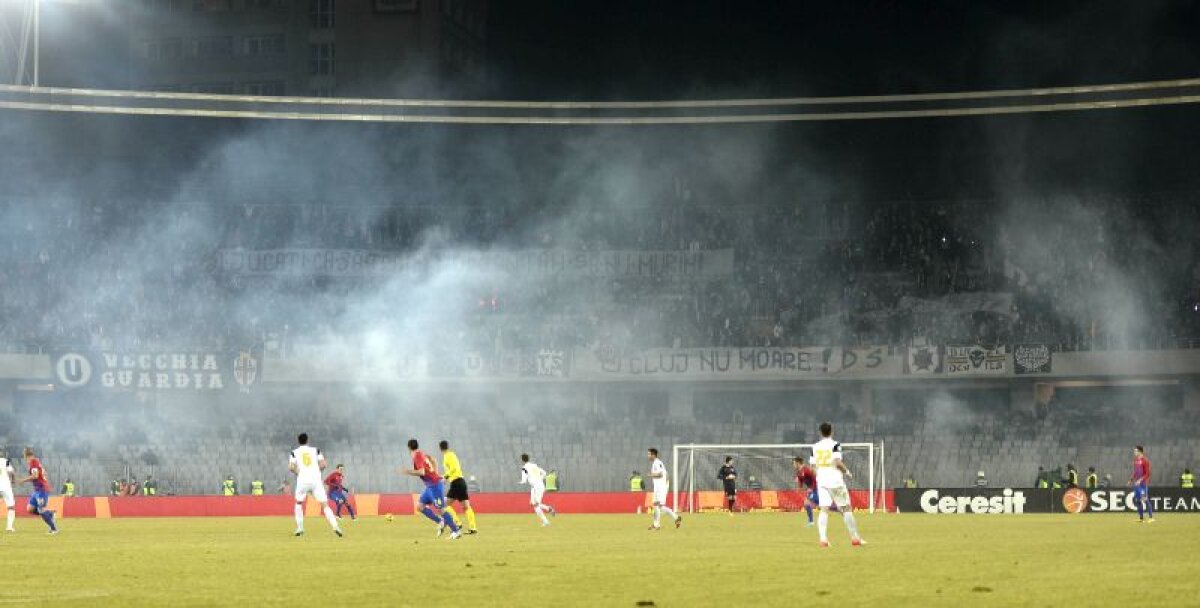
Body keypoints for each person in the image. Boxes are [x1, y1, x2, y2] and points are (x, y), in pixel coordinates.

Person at [812, 423, 864, 547]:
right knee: (846, 509)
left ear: (820, 432)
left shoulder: (814, 447)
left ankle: (823, 539)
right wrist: (847, 472)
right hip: (835, 481)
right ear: (831, 431)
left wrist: (819, 477)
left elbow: (813, 467)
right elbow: (837, 462)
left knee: (824, 509)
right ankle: (855, 538)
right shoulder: (835, 445)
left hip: (822, 481)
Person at [288, 433, 343, 537]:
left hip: (302, 480)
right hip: (315, 480)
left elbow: (291, 467)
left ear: (298, 441)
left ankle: (300, 528)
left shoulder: (294, 452)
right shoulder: (315, 450)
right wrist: (318, 471)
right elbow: (323, 464)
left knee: (299, 503)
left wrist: (298, 472)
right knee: (324, 505)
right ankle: (335, 526)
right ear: (307, 440)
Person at [403, 439, 459, 539]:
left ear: (409, 448)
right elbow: (433, 460)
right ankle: (441, 521)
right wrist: (435, 473)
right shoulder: (421, 454)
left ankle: (456, 530)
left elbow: (421, 472)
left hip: (435, 486)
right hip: (430, 486)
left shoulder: (417, 456)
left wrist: (408, 471)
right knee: (420, 507)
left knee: (441, 510)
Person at [439, 440, 477, 534]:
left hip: (456, 482)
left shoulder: (448, 456)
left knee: (445, 505)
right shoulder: (452, 454)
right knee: (466, 506)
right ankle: (473, 528)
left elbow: (454, 468)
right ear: (448, 446)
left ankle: (457, 523)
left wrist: (445, 476)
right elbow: (455, 468)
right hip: (461, 482)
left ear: (440, 448)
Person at [18, 447, 58, 534]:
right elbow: (44, 473)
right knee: (30, 509)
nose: (25, 460)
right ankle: (50, 514)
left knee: (41, 510)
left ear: (26, 456)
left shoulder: (33, 462)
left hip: (41, 489)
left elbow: (35, 476)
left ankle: (54, 529)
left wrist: (22, 480)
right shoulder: (36, 462)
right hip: (37, 490)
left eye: (25, 457)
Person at [646, 448, 680, 531]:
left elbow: (660, 474)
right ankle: (658, 524)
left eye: (649, 454)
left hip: (660, 488)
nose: (648, 456)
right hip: (660, 487)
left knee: (658, 506)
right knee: (657, 506)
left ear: (653, 455)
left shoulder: (656, 463)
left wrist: (651, 474)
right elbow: (666, 474)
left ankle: (673, 519)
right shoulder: (658, 462)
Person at [519, 453, 556, 527]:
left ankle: (546, 521)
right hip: (537, 486)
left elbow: (524, 480)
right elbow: (544, 473)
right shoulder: (534, 466)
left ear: (522, 460)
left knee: (536, 505)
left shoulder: (524, 468)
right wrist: (539, 479)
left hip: (536, 487)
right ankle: (549, 509)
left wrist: (520, 482)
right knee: (533, 504)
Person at [1129, 445, 1153, 523]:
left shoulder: (1145, 460)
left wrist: (1140, 480)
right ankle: (1141, 518)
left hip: (1143, 484)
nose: (1134, 452)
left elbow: (1148, 473)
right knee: (1138, 501)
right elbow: (1136, 472)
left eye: (1135, 451)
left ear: (1140, 451)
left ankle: (1151, 518)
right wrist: (1131, 479)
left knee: (1145, 499)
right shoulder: (1136, 460)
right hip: (1137, 485)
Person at [793, 456, 817, 527]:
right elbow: (800, 481)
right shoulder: (799, 472)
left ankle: (811, 522)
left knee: (809, 503)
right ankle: (811, 522)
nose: (793, 465)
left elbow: (814, 478)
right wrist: (799, 488)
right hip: (812, 489)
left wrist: (812, 488)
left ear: (798, 463)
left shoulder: (806, 469)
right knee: (807, 503)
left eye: (794, 463)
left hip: (817, 488)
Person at [0, 450, 15, 532]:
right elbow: (11, 472)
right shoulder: (6, 461)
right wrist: (13, 480)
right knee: (11, 506)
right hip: (5, 487)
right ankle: (9, 527)